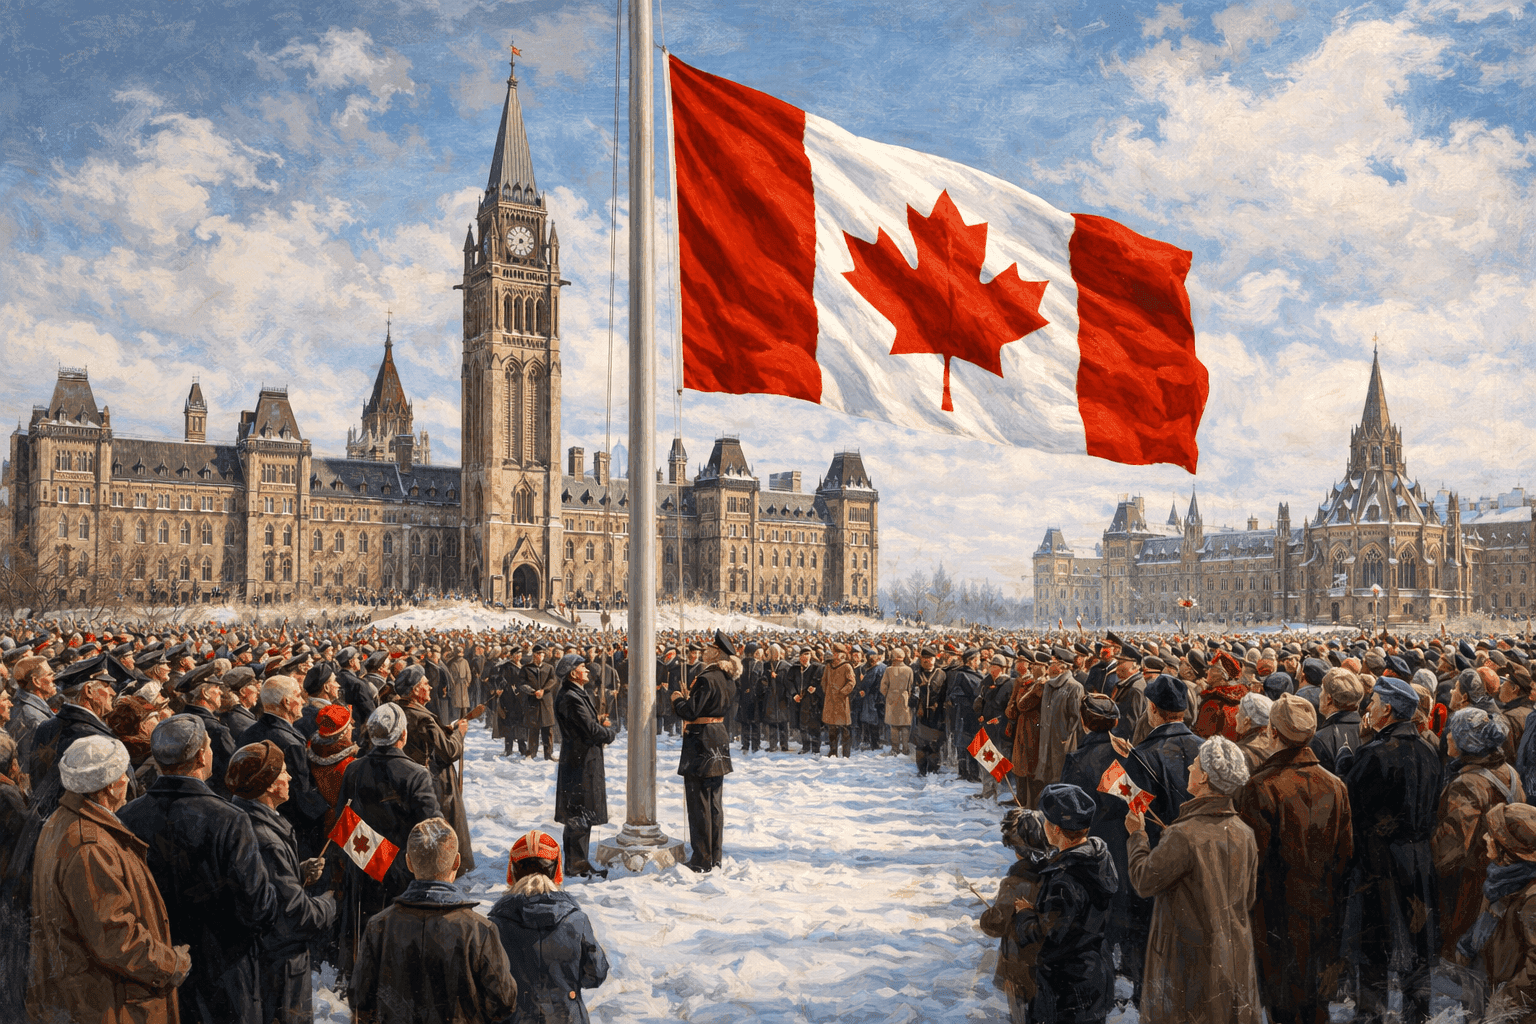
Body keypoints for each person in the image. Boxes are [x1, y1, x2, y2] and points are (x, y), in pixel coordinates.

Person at [117, 714, 278, 1024]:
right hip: (225, 973)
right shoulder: (230, 819)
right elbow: (257, 907)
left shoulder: (128, 816)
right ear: (203, 755)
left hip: (156, 974)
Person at [27, 735, 191, 1024]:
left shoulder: (62, 821)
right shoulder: (90, 845)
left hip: (87, 995)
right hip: (107, 1004)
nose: (128, 780)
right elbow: (115, 936)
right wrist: (171, 964)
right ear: (110, 786)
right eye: (122, 775)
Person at [1234, 694, 1353, 1024]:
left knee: (1282, 1005)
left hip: (1274, 915)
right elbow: (1346, 856)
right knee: (1316, 1004)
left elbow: (1251, 863)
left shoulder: (1260, 786)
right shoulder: (1336, 785)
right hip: (1325, 910)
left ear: (1272, 732)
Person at [1127, 734, 1261, 1024]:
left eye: (1195, 765)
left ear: (1204, 779)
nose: (1189, 769)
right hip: (1232, 956)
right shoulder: (1244, 832)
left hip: (1186, 961)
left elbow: (1143, 880)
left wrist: (1137, 836)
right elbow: (1247, 898)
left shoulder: (1183, 835)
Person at [1343, 674, 1443, 1024]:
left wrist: (1346, 773)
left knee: (1374, 955)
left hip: (1378, 865)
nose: (1367, 710)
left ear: (1386, 710)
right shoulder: (1430, 749)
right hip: (1418, 862)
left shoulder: (1374, 754)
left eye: (1372, 704)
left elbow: (1356, 815)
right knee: (1416, 954)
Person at [350, 817, 518, 1024]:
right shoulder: (480, 930)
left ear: (409, 862)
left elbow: (359, 999)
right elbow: (504, 1002)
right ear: (457, 861)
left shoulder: (379, 926)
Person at [228, 741, 336, 1024]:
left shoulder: (241, 818)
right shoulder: (267, 839)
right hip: (281, 967)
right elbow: (298, 915)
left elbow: (262, 883)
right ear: (268, 785)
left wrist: (297, 873)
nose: (289, 778)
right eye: (283, 773)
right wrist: (331, 901)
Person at [336, 702, 443, 973]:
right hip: (403, 873)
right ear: (403, 736)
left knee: (365, 941)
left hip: (363, 868)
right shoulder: (417, 774)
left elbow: (343, 823)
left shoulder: (353, 770)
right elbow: (432, 830)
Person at [1010, 783, 1118, 1024]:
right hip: (1094, 979)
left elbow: (1046, 939)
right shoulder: (1098, 858)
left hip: (1066, 989)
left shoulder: (1065, 880)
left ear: (1055, 829)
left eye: (1046, 822)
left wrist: (1025, 915)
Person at [488, 829, 611, 1024]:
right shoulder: (576, 920)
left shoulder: (495, 924)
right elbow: (595, 975)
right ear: (556, 870)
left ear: (512, 870)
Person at [1435, 706, 1522, 959]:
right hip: (1500, 878)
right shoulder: (1510, 772)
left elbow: (1448, 851)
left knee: (1460, 959)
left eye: (1452, 731)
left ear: (1466, 742)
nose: (1447, 736)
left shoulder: (1467, 785)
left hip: (1471, 886)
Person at [1456, 802, 1536, 1019]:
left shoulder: (1531, 898)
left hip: (1516, 1011)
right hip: (1492, 989)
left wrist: (1503, 1005)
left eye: (1491, 835)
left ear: (1508, 848)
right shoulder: (1501, 880)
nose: (1484, 838)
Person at [238, 675, 332, 859]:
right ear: (287, 702)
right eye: (298, 695)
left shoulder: (248, 733)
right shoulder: (290, 742)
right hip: (289, 830)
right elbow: (302, 797)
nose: (303, 701)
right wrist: (328, 808)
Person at [671, 629, 739, 872]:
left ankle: (701, 859)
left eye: (710, 648)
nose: (705, 650)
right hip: (718, 738)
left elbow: (690, 712)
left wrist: (678, 699)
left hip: (701, 742)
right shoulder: (727, 678)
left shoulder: (707, 678)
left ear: (716, 654)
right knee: (715, 803)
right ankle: (715, 856)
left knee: (699, 802)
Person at [400, 664, 476, 877]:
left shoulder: (402, 709)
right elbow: (450, 751)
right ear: (415, 690)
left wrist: (447, 731)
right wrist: (459, 733)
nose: (431, 687)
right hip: (434, 781)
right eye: (425, 684)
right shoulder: (423, 717)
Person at [977, 808, 1050, 1023]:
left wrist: (988, 917)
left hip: (1018, 965)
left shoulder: (1013, 884)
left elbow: (997, 924)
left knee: (1020, 1014)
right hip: (1046, 962)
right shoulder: (1054, 873)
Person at [552, 653, 617, 879]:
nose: (588, 670)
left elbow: (586, 725)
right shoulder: (571, 697)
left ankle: (577, 863)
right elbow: (589, 731)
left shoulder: (576, 693)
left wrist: (597, 722)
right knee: (579, 815)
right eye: (583, 667)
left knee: (581, 815)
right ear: (573, 674)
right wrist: (609, 733)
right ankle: (576, 865)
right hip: (579, 764)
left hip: (580, 761)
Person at [820, 645, 856, 759]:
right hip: (830, 702)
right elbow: (823, 681)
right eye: (834, 652)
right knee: (832, 729)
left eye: (837, 653)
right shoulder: (828, 666)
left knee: (844, 729)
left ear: (842, 654)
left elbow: (851, 682)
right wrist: (828, 693)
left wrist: (842, 692)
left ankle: (846, 754)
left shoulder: (847, 666)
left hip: (841, 702)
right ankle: (833, 752)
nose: (834, 655)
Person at [881, 648, 914, 756]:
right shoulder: (909, 670)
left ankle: (895, 749)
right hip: (905, 699)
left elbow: (883, 687)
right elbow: (911, 686)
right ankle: (905, 749)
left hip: (892, 699)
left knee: (894, 727)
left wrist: (888, 695)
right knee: (905, 726)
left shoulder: (888, 670)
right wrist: (907, 696)